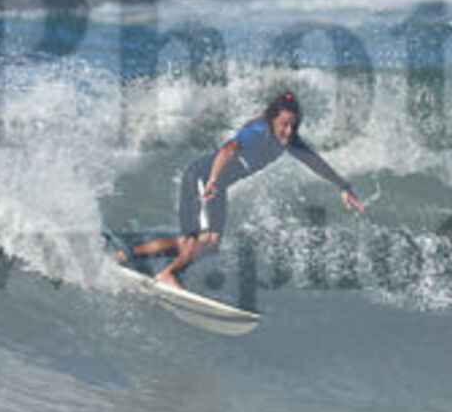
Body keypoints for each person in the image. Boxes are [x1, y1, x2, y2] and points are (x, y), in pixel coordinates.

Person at [119, 91, 365, 288]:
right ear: (272, 119)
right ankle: (169, 274)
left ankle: (128, 255)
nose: (289, 131)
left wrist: (343, 186)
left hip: (218, 187)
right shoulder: (258, 132)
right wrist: (213, 180)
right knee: (196, 242)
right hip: (203, 180)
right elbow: (228, 150)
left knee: (207, 245)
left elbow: (315, 162)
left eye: (294, 125)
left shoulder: (289, 141)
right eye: (284, 124)